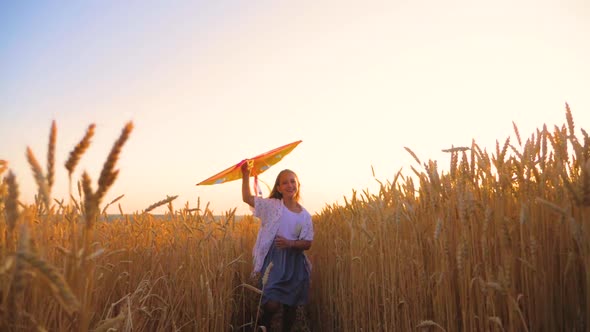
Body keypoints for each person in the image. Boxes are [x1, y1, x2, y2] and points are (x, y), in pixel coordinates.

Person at [241, 162, 314, 332]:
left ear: (298, 185)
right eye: (285, 182)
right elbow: (247, 198)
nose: (290, 185)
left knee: (291, 306)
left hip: (295, 262)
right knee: (272, 302)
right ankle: (263, 325)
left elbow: (308, 243)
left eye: (292, 181)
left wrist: (290, 243)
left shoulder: (305, 216)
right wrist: (246, 174)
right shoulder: (273, 206)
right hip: (275, 260)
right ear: (279, 188)